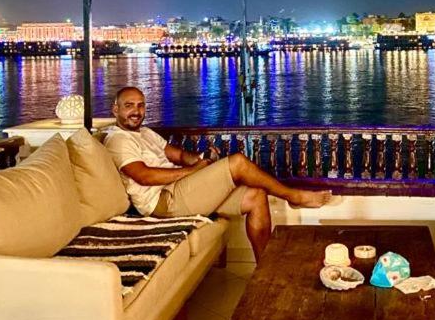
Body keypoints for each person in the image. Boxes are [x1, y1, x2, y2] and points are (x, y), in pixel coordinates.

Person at [104, 87, 332, 262]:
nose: (136, 111)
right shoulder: (118, 139)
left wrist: (202, 159)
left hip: (179, 189)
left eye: (141, 105)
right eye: (129, 106)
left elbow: (180, 155)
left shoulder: (144, 133)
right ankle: (294, 196)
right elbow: (144, 176)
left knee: (256, 195)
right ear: (116, 110)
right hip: (163, 201)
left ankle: (264, 267)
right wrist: (194, 171)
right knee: (238, 163)